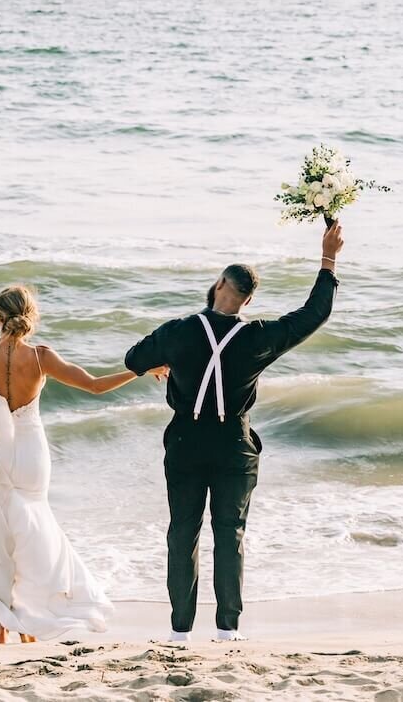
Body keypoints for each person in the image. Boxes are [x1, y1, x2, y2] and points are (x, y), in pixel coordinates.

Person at [124, 222, 344, 641]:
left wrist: (161, 362)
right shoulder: (258, 337)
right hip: (234, 445)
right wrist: (328, 258)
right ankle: (228, 629)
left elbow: (133, 359)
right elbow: (314, 314)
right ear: (249, 299)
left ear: (221, 284)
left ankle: (180, 632)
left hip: (186, 441)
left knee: (183, 533)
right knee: (230, 533)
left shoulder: (179, 330)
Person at [0, 284, 166, 643]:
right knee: (35, 534)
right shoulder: (42, 357)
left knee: (2, 537)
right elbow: (95, 386)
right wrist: (141, 370)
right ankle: (31, 615)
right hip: (31, 454)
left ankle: (6, 620)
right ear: (31, 315)